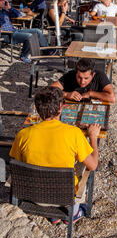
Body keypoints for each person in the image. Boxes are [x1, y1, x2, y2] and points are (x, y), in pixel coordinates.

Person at [9, 86, 100, 223]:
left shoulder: (23, 135)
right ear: (60, 106)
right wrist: (93, 137)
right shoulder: (73, 133)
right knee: (82, 164)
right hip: (64, 199)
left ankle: (53, 216)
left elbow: (17, 161)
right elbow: (93, 165)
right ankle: (73, 215)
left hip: (32, 196)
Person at [0, 0, 53, 64]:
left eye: (3, 0)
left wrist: (9, 8)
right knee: (29, 36)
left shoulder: (4, 11)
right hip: (7, 34)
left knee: (37, 31)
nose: (3, 2)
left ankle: (47, 50)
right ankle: (23, 56)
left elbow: (18, 15)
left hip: (15, 31)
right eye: (1, 0)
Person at [51, 58, 116, 103]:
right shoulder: (70, 75)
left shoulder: (100, 75)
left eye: (86, 78)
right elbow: (49, 90)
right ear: (76, 73)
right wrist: (66, 94)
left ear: (93, 75)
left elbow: (112, 98)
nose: (82, 82)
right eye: (79, 77)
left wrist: (91, 94)